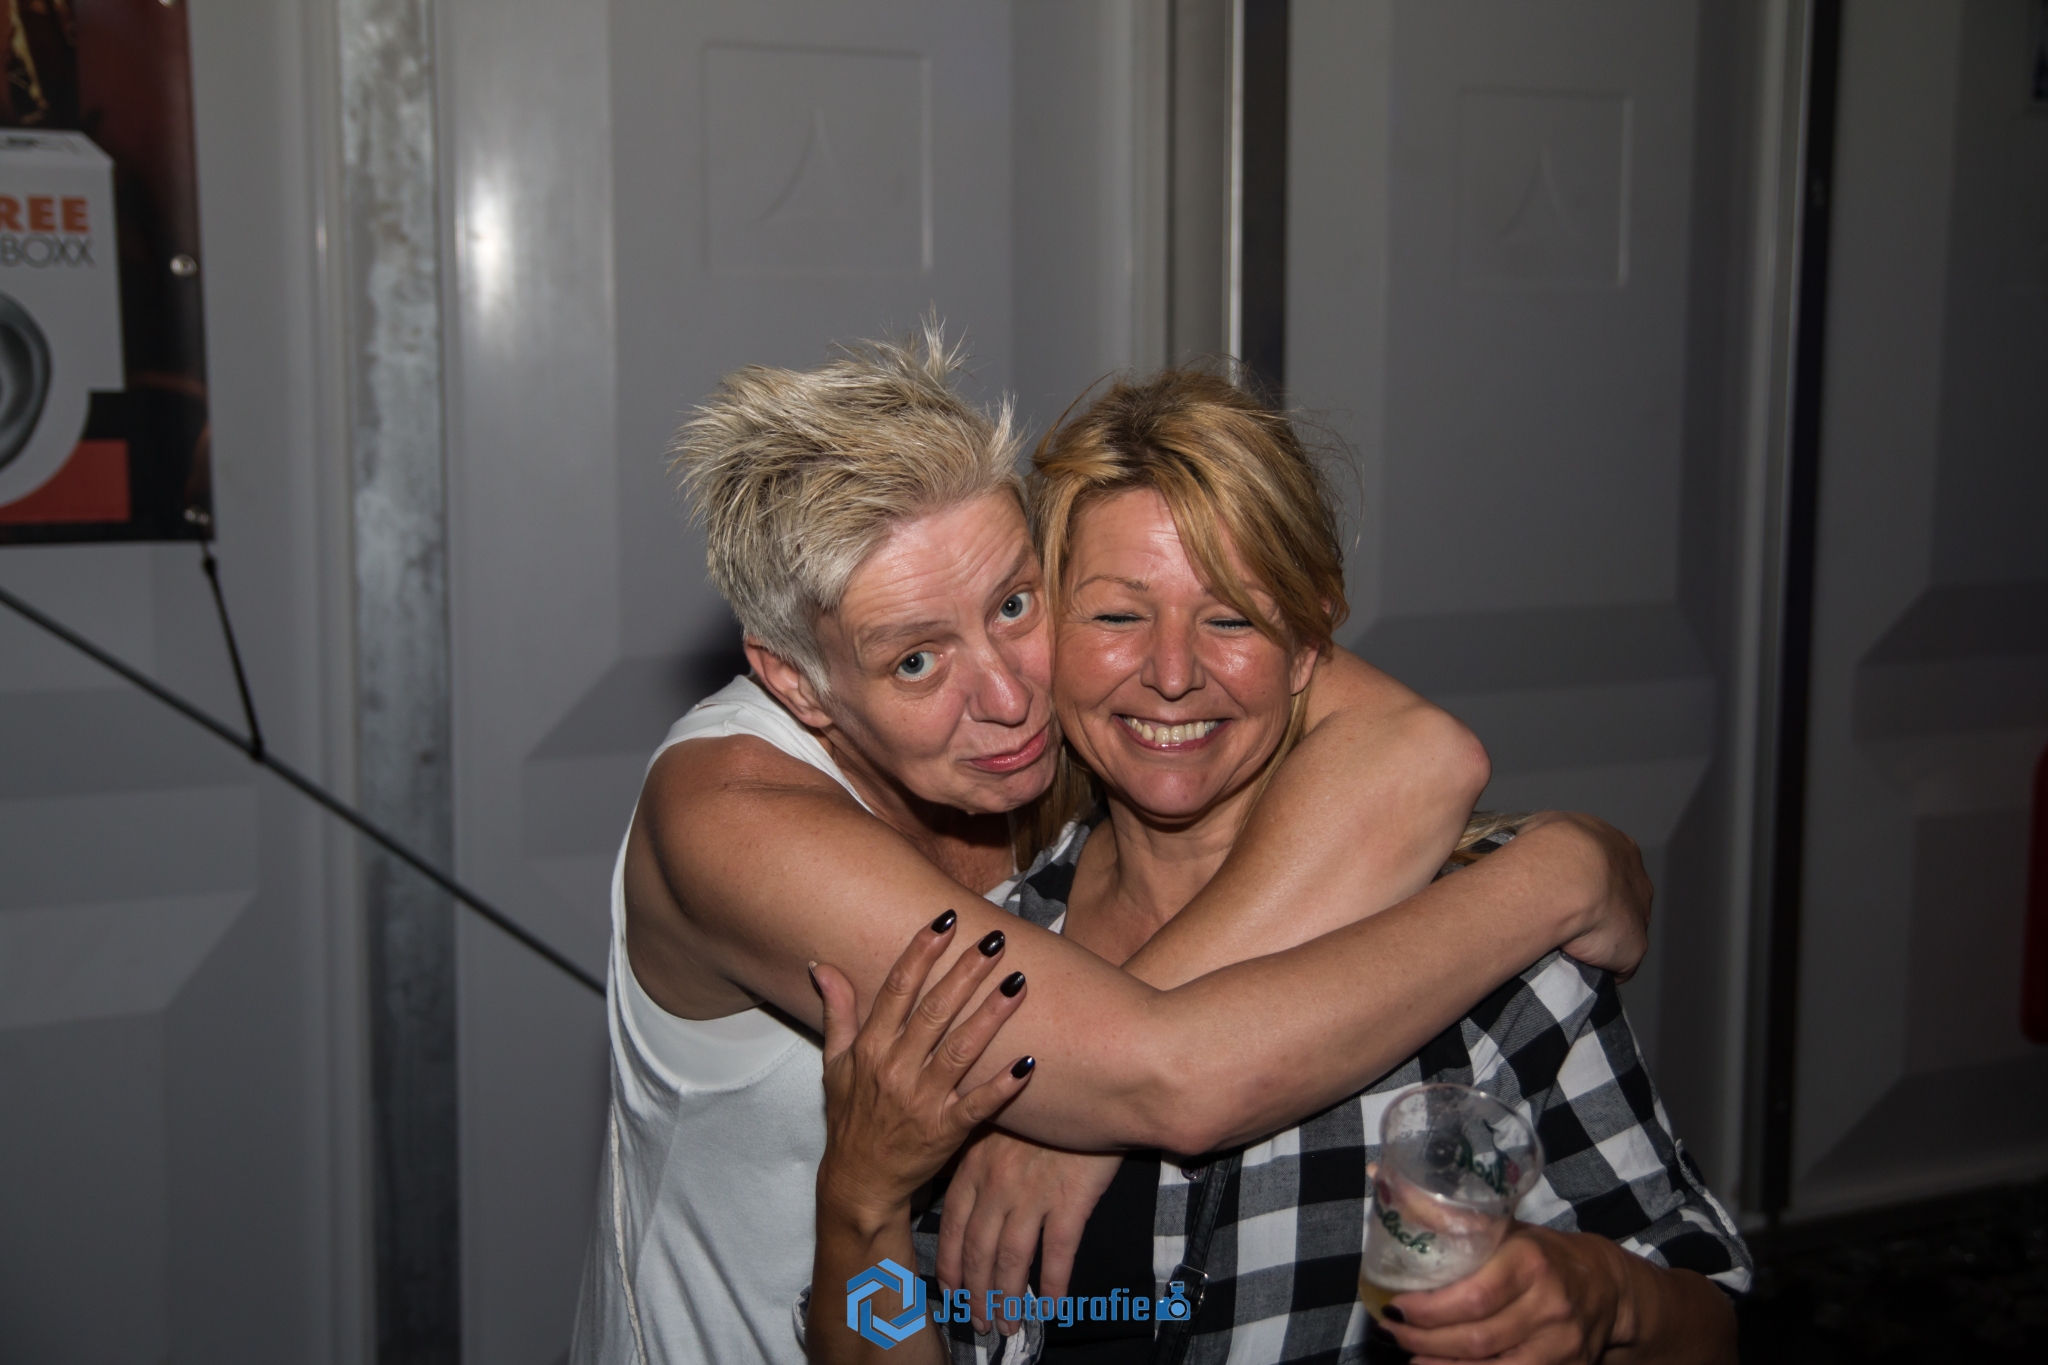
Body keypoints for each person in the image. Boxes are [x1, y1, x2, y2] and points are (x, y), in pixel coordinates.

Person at [568, 329, 1654, 1365]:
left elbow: (1417, 749)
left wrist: (1075, 1115)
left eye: (1014, 604)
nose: (1008, 697)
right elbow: (1163, 1075)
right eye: (914, 662)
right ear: (797, 681)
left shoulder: (1053, 739)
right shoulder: (733, 816)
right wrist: (1556, 878)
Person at [814, 368, 1740, 1365]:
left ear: (1306, 649)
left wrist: (1606, 1298)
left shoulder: (1490, 960)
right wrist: (861, 1205)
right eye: (1117, 616)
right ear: (1043, 641)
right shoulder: (983, 958)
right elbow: (883, 1330)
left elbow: (1711, 1322)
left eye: (1231, 618)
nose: (1174, 674)